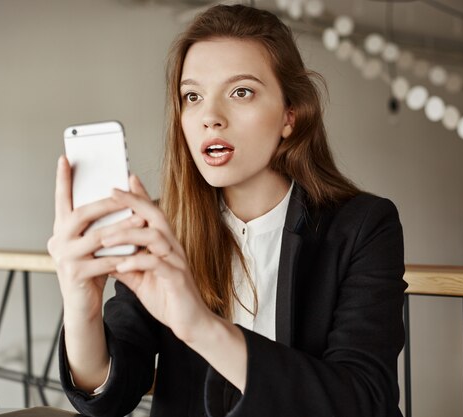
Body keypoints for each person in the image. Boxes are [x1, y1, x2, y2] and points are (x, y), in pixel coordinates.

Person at [47, 4, 406, 417]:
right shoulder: (164, 228)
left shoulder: (362, 226)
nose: (210, 118)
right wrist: (81, 308)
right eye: (192, 96)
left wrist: (201, 327)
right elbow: (111, 393)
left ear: (291, 114)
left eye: (241, 92)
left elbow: (363, 400)